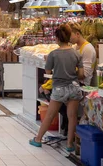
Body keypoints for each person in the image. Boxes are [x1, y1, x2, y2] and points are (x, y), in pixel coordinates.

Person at [30, 24, 84, 152]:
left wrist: (49, 61)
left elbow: (48, 71)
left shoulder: (53, 54)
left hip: (59, 88)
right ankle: (70, 144)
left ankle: (38, 139)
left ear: (57, 39)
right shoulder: (76, 54)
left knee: (49, 115)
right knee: (72, 117)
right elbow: (81, 74)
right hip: (74, 87)